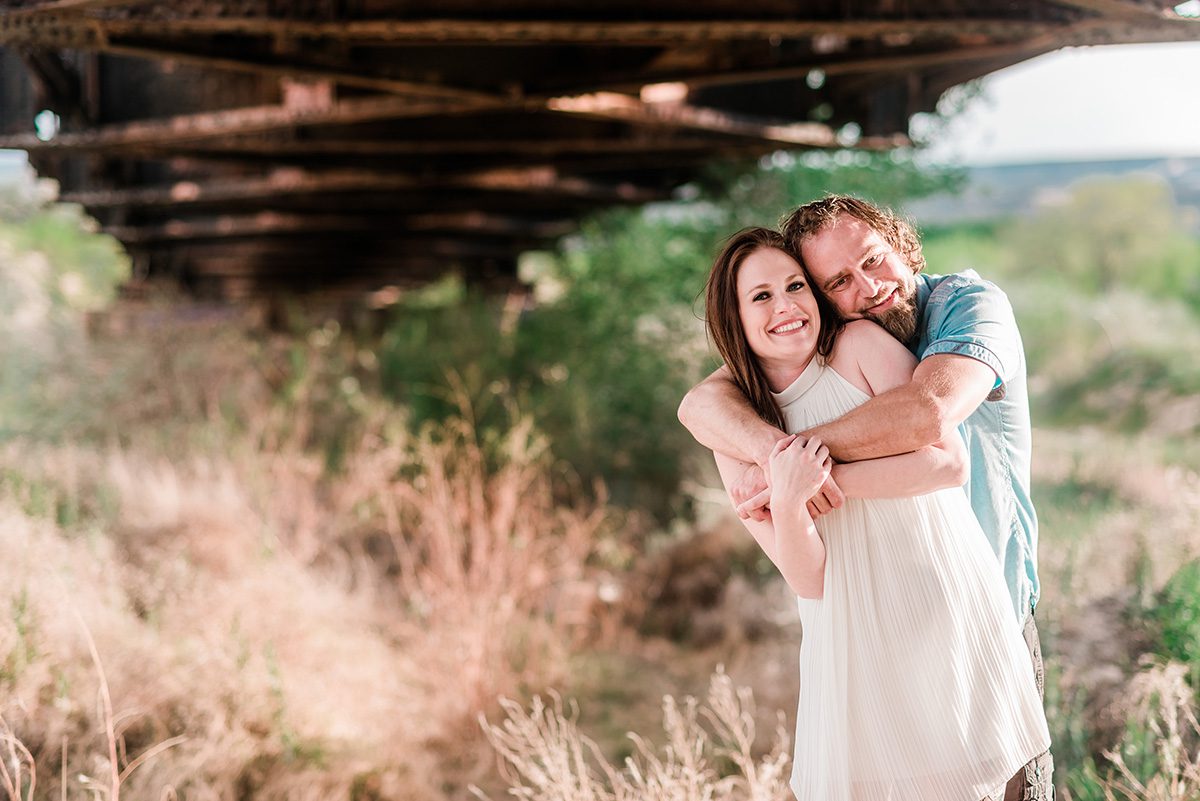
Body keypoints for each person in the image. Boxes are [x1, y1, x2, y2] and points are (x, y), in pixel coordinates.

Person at [679, 196, 1053, 799]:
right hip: (857, 639)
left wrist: (794, 475)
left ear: (901, 244)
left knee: (1009, 786)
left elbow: (930, 422)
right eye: (840, 282)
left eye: (874, 261)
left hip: (981, 595)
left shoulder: (963, 308)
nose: (870, 288)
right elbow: (703, 400)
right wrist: (783, 477)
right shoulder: (745, 413)